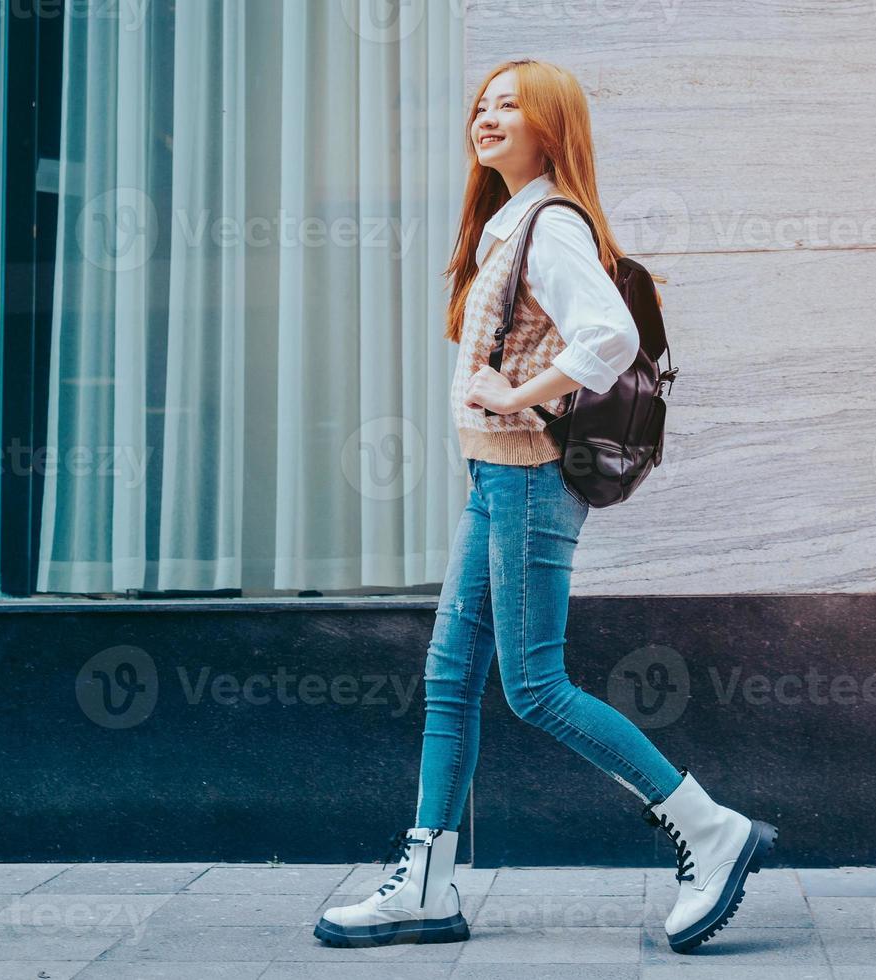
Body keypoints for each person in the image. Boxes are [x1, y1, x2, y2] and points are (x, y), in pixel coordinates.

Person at [314, 58, 777, 954]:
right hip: (496, 481)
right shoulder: (508, 222)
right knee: (452, 677)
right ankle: (427, 884)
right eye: (480, 105)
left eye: (508, 105)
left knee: (533, 686)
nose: (486, 118)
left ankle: (711, 830)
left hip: (528, 480)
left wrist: (519, 395)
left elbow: (613, 335)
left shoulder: (551, 223)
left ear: (549, 125)